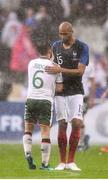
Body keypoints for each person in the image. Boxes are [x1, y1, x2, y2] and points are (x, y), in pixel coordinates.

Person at [45, 21, 89, 171]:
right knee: (62, 124)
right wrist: (55, 83)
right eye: (60, 34)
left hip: (76, 90)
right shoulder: (55, 46)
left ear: (72, 32)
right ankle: (62, 162)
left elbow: (80, 71)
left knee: (76, 123)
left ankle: (71, 161)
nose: (62, 36)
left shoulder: (82, 47)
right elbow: (52, 69)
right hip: (60, 91)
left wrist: (60, 70)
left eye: (65, 34)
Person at [23, 38, 63, 170]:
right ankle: (45, 164)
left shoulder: (31, 63)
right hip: (45, 100)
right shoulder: (55, 67)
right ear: (50, 51)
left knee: (28, 128)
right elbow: (59, 89)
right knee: (45, 131)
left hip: (31, 99)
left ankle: (28, 154)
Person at [78, 62, 95, 151]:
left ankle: (81, 143)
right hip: (72, 95)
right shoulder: (69, 59)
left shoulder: (89, 64)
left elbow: (93, 81)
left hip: (84, 95)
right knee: (73, 120)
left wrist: (91, 98)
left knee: (80, 118)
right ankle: (84, 139)